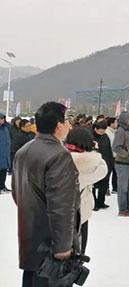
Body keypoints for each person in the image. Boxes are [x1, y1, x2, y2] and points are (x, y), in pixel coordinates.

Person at [12, 102, 79, 287]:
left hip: (30, 235)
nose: (69, 125)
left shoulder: (23, 151)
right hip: (50, 244)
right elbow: (62, 207)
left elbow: (17, 193)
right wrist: (63, 246)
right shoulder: (59, 155)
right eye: (67, 120)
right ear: (58, 124)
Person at [64, 127, 107, 254]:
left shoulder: (61, 155)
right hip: (79, 212)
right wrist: (95, 151)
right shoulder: (86, 162)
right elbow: (103, 169)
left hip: (60, 212)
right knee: (78, 251)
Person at [112, 112, 129, 217]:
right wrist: (126, 154)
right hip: (122, 163)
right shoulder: (121, 131)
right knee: (123, 188)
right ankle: (123, 209)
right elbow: (116, 147)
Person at [92, 121, 113, 211]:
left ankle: (101, 202)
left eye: (103, 131)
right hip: (94, 163)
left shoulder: (105, 137)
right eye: (100, 131)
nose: (102, 133)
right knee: (93, 185)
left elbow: (109, 150)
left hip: (105, 162)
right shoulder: (91, 137)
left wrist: (110, 162)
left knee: (104, 184)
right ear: (95, 129)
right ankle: (94, 203)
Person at [106, 117, 118, 194]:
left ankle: (115, 187)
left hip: (116, 156)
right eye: (116, 122)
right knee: (108, 173)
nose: (117, 124)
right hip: (109, 156)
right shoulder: (107, 132)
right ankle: (106, 188)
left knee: (116, 173)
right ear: (111, 123)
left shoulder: (116, 132)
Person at [0, 113, 11, 193]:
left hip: (5, 153)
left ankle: (2, 186)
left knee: (4, 170)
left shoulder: (5, 128)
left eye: (3, 118)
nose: (2, 120)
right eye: (1, 118)